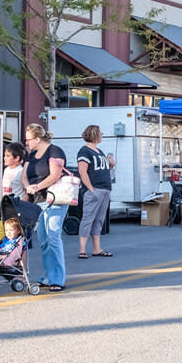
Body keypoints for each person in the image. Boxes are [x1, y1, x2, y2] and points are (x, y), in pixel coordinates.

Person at [22, 124, 68, 292]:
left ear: (37, 139)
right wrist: (28, 186)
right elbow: (24, 175)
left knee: (53, 237)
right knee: (43, 240)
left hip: (55, 199)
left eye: (28, 140)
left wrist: (37, 186)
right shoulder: (32, 155)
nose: (26, 143)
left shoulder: (55, 151)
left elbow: (55, 175)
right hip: (38, 201)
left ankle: (58, 279)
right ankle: (49, 276)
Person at [76, 124, 115, 259]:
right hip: (95, 189)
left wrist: (111, 164)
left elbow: (101, 170)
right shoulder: (85, 151)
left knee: (99, 219)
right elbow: (82, 171)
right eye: (100, 133)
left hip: (105, 189)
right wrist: (91, 189)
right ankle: (82, 249)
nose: (102, 135)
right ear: (95, 135)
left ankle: (97, 248)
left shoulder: (99, 151)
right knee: (88, 219)